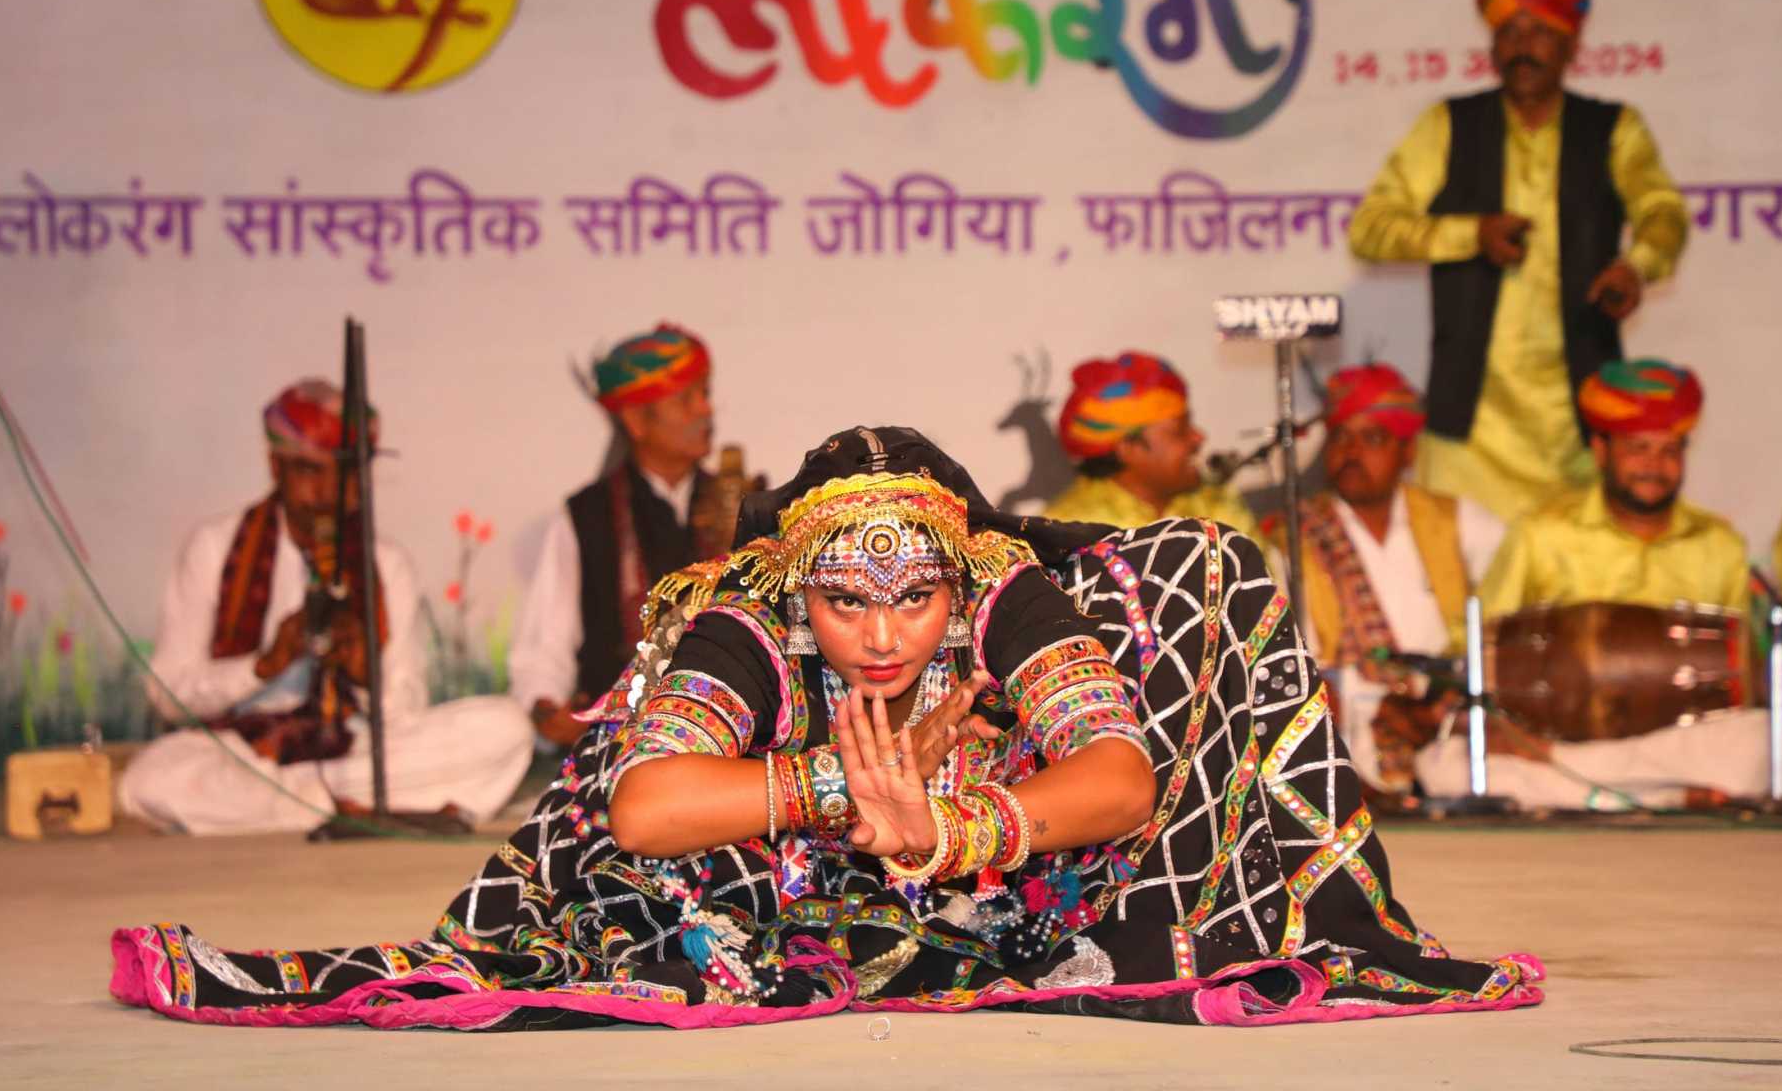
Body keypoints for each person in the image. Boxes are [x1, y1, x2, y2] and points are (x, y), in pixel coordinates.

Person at [114, 426, 1541, 1028]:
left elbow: (1117, 779)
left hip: (1006, 869)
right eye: (846, 600)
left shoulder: (1004, 591)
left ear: (958, 576)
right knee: (627, 840)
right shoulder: (751, 619)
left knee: (1206, 576)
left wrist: (964, 824)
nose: (881, 631)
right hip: (769, 878)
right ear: (799, 588)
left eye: (913, 596)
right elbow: (647, 810)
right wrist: (836, 794)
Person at [1347, 0, 1689, 522]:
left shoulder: (1614, 129)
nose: (1522, 46)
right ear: (1492, 46)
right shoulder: (1449, 125)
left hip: (1577, 424)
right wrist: (1468, 235)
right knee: (1459, 575)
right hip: (1471, 424)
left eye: (1539, 31)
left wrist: (1636, 267)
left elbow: (1663, 212)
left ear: (1571, 45)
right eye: (1508, 31)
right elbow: (1370, 228)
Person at [117, 380, 532, 835]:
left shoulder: (386, 564)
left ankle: (300, 803)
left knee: (507, 729)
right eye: (311, 472)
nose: (330, 492)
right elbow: (167, 695)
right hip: (240, 749)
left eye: (346, 475)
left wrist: (364, 672)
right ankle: (337, 804)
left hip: (353, 747)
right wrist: (263, 665)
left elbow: (406, 709)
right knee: (149, 780)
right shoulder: (214, 549)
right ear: (275, 466)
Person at [1416, 359, 1765, 808]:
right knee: (1444, 767)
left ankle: (1592, 786)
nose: (1654, 466)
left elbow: (1737, 673)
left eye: (1669, 450)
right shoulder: (1542, 534)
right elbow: (1479, 643)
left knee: (1758, 742)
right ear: (1600, 451)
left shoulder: (1720, 545)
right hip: (1558, 734)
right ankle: (1666, 797)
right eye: (1638, 448)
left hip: (1669, 742)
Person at [1265, 365, 1504, 797]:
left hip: (1452, 722)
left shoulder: (1461, 523)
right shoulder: (1294, 540)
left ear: (1408, 452)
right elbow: (1295, 674)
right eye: (1340, 437)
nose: (1351, 452)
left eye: (1373, 438)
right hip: (1348, 734)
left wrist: (1441, 703)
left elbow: (1506, 630)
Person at [509, 324, 722, 746]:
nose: (705, 410)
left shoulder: (739, 506)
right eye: (686, 399)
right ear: (636, 421)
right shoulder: (586, 517)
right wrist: (548, 710)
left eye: (705, 393)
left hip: (724, 731)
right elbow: (545, 648)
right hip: (617, 739)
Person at [1044, 351, 1269, 551]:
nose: (1198, 437)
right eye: (1180, 430)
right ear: (1128, 449)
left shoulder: (1219, 505)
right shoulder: (1065, 531)